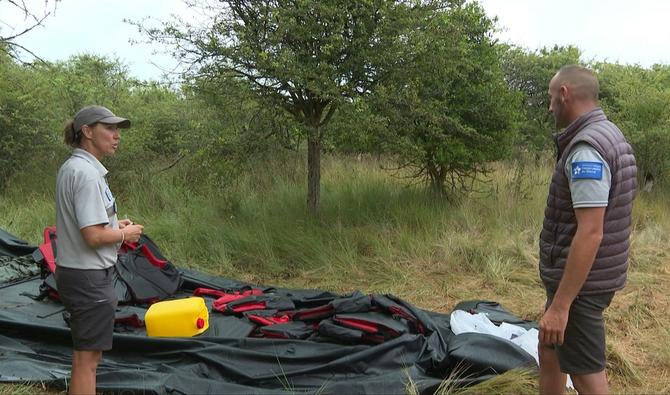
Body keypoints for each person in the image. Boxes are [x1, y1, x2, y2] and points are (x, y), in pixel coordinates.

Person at [537, 65, 637, 394]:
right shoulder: (608, 133)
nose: (550, 107)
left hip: (581, 286)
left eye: (552, 98)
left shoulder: (586, 150)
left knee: (584, 374)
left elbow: (591, 232)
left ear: (565, 93)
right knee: (549, 349)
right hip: (582, 280)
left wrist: (562, 305)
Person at [55, 105, 144, 395]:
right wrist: (124, 233)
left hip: (78, 274)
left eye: (118, 129)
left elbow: (89, 222)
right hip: (88, 277)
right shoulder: (87, 174)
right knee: (88, 359)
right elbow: (92, 236)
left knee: (87, 355)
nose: (116, 136)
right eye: (109, 128)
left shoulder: (75, 168)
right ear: (88, 131)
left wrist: (116, 223)